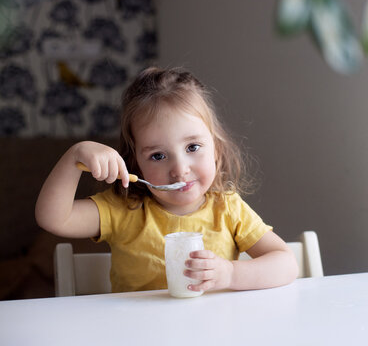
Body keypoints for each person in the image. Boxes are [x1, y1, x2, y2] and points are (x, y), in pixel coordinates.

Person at [35, 67, 298, 293]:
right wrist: (74, 157)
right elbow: (53, 218)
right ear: (135, 164)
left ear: (216, 151)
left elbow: (286, 263)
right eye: (158, 156)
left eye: (193, 147)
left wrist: (230, 274)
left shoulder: (228, 208)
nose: (180, 170)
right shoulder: (123, 209)